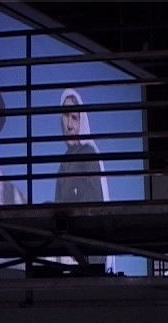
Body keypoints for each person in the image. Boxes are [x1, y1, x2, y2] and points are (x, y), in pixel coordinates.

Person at [54, 88, 115, 272]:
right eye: (66, 116)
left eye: (74, 118)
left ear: (82, 122)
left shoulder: (88, 154)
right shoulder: (64, 163)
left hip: (89, 255)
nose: (69, 125)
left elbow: (95, 212)